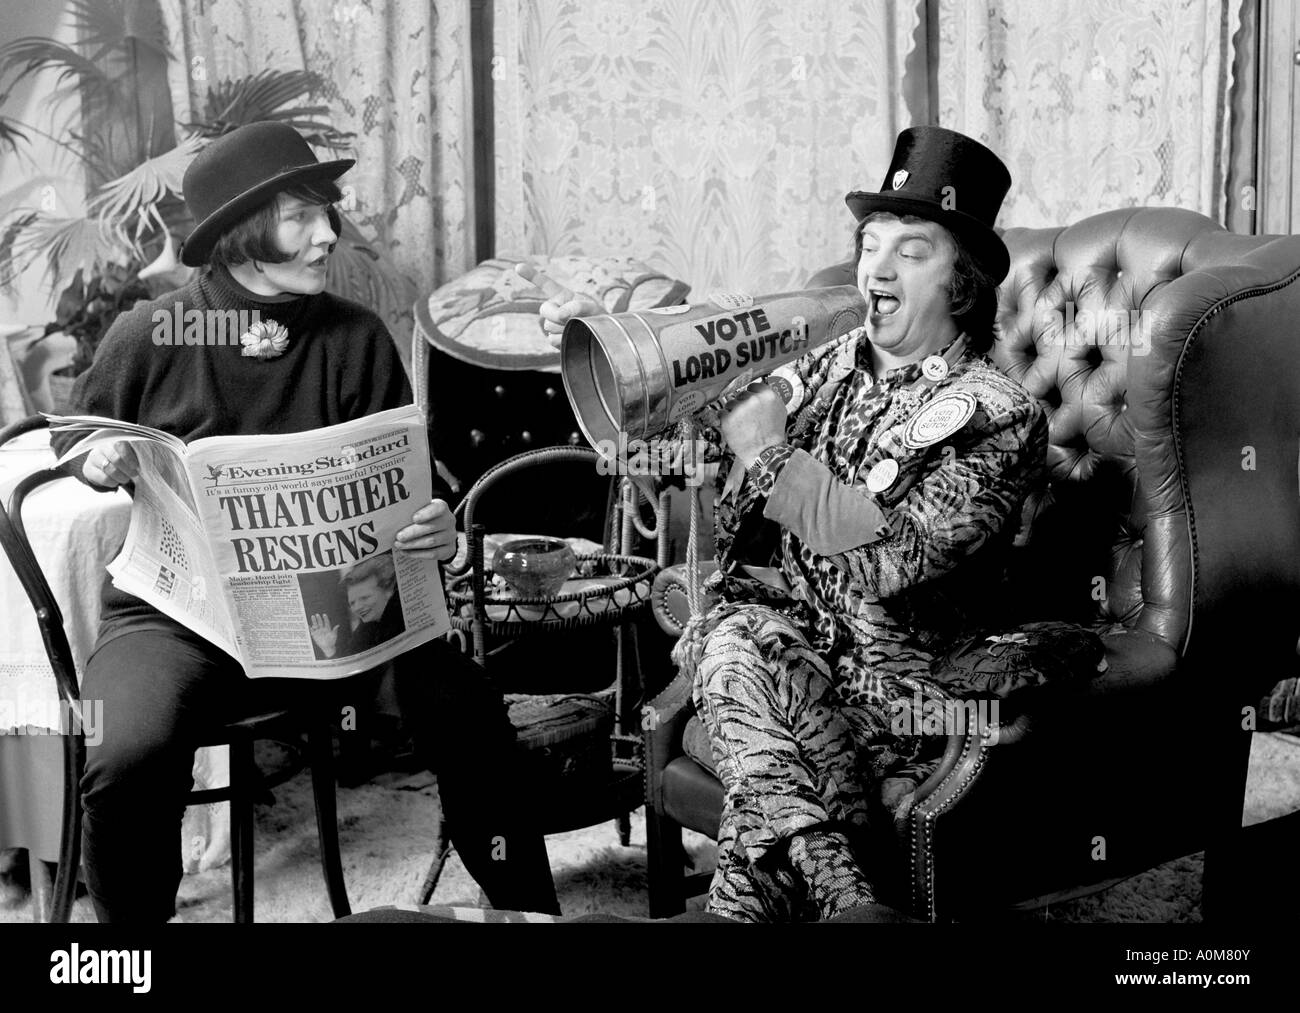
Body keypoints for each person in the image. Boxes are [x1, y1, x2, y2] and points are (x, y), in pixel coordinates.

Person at [54, 121, 560, 921]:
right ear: (241, 235)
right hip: (181, 620)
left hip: (338, 615)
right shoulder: (154, 332)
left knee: (466, 711)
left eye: (326, 210)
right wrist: (98, 461)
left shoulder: (355, 341)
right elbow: (73, 438)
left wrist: (436, 531)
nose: (330, 233)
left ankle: (536, 912)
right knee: (124, 749)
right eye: (301, 215)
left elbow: (408, 498)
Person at [540, 126, 1048, 921]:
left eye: (912, 251)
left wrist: (772, 457)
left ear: (963, 285)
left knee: (732, 647)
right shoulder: (825, 361)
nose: (876, 267)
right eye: (869, 244)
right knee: (736, 632)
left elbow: (895, 556)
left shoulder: (998, 413)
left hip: (897, 696)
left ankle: (818, 887)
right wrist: (628, 365)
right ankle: (844, 892)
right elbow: (694, 449)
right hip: (790, 658)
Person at [310, 553, 405, 659]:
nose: (357, 607)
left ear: (388, 591)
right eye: (352, 603)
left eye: (365, 598)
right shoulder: (363, 632)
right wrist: (329, 650)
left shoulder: (402, 616)